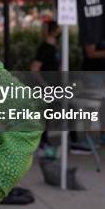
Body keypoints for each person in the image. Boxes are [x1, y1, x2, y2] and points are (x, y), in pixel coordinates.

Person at [30, 20, 60, 158]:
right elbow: (34, 69)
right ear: (54, 30)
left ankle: (43, 142)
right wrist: (46, 86)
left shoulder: (55, 47)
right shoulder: (45, 48)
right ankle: (40, 145)